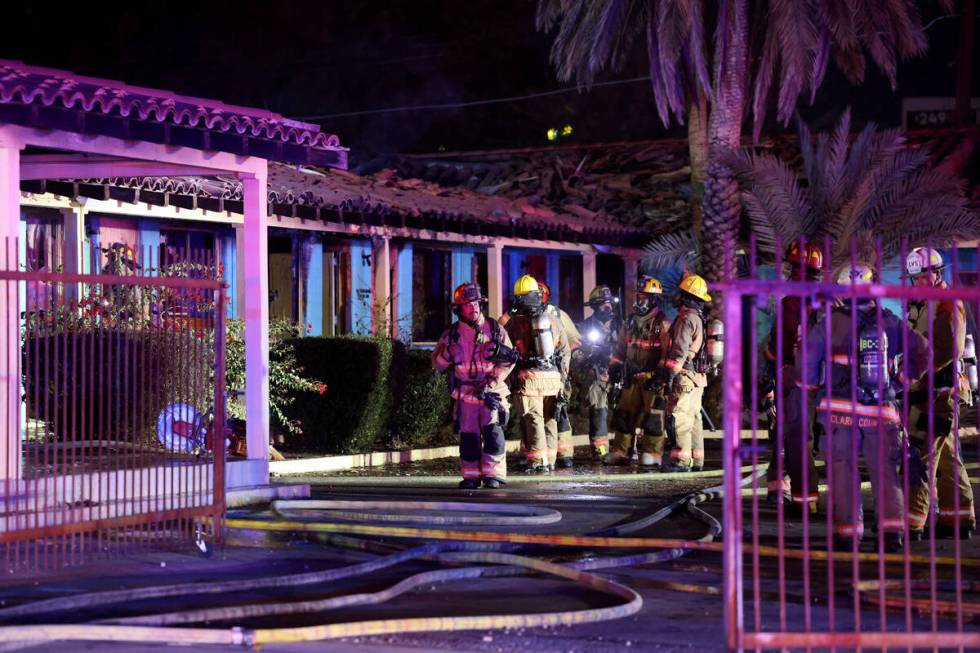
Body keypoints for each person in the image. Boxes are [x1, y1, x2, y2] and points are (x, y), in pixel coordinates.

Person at [802, 263, 929, 552]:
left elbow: (807, 367)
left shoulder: (828, 323)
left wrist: (811, 392)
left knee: (842, 470)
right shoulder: (890, 321)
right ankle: (892, 534)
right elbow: (924, 352)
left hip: (839, 412)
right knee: (885, 470)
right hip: (881, 411)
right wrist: (900, 382)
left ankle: (848, 534)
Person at [905, 248, 976, 540]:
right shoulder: (919, 304)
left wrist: (916, 374)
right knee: (946, 456)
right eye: (914, 278)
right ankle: (960, 518)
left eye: (923, 277)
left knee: (924, 453)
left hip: (941, 392)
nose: (917, 283)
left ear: (937, 273)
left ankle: (912, 523)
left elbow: (948, 349)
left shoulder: (946, 304)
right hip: (926, 389)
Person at [432, 283, 517, 489]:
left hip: (491, 394)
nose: (474, 308)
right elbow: (437, 365)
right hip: (466, 395)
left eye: (477, 303)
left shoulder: (496, 329)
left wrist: (492, 381)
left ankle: (493, 475)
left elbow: (510, 360)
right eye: (468, 304)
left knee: (493, 434)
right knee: (468, 437)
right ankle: (470, 476)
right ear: (459, 309)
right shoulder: (451, 334)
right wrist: (447, 354)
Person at [761, 242, 824, 512]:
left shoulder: (790, 304)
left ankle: (802, 500)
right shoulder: (828, 302)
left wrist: (771, 372)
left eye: (791, 268)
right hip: (829, 387)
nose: (787, 273)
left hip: (796, 385)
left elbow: (777, 348)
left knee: (793, 439)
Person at [503, 275, 570, 472]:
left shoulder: (514, 323)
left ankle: (537, 461)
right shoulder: (554, 320)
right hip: (553, 379)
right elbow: (564, 351)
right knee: (550, 419)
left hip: (529, 380)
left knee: (534, 418)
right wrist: (563, 377)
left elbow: (506, 350)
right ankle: (550, 459)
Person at [606, 277, 672, 467]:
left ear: (654, 299)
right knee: (624, 415)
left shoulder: (663, 323)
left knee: (654, 417)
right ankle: (621, 451)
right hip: (631, 377)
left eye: (644, 297)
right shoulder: (630, 322)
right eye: (639, 296)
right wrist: (615, 366)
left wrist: (659, 375)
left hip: (652, 379)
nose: (639, 300)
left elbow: (668, 353)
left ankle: (652, 453)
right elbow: (620, 348)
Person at [660, 274, 711, 472]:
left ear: (686, 296)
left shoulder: (685, 319)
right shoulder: (699, 319)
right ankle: (697, 460)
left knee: (679, 417)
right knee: (694, 418)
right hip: (698, 378)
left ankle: (681, 461)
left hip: (684, 376)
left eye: (682, 294)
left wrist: (670, 374)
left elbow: (680, 350)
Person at [573, 285, 620, 460]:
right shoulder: (584, 327)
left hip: (620, 372)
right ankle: (600, 450)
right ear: (594, 306)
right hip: (598, 373)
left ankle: (627, 449)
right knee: (598, 408)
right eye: (602, 304)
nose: (607, 307)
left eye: (609, 303)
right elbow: (577, 355)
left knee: (627, 411)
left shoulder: (621, 325)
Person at [538, 280, 580, 467]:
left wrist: (564, 362)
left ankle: (564, 453)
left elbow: (574, 340)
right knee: (534, 414)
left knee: (558, 410)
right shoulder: (521, 315)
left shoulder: (557, 315)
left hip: (556, 372)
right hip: (533, 374)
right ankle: (534, 454)